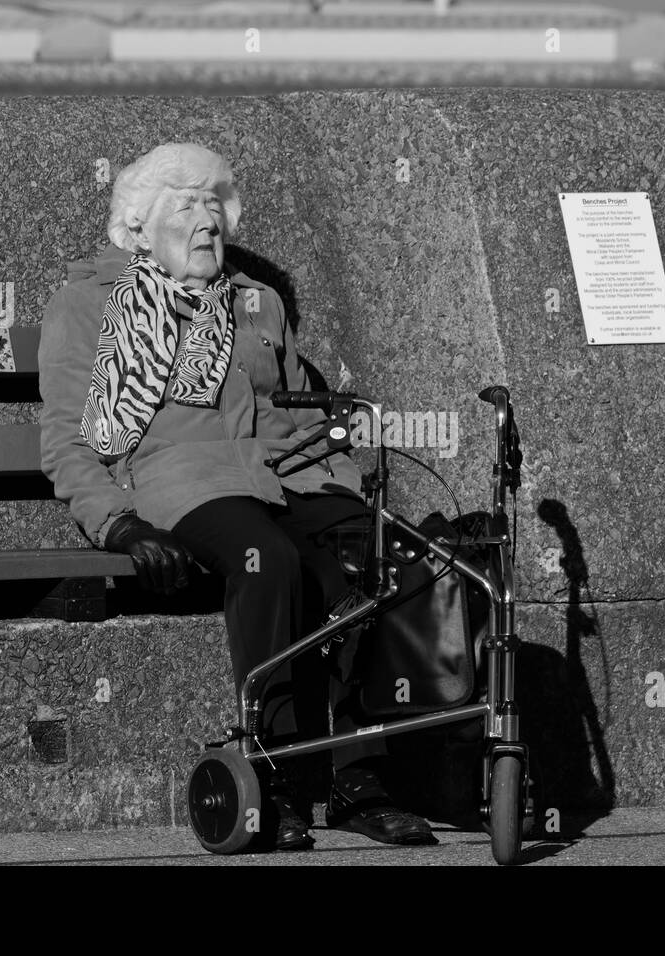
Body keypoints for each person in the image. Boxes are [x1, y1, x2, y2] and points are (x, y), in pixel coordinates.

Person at [39, 142, 435, 851]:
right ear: (137, 228)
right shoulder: (88, 305)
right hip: (178, 480)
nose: (208, 221)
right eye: (185, 207)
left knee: (370, 556)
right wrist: (120, 526)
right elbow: (68, 440)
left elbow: (299, 413)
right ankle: (273, 774)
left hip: (287, 470)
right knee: (265, 560)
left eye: (214, 206)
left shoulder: (258, 302)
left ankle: (358, 777)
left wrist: (343, 484)